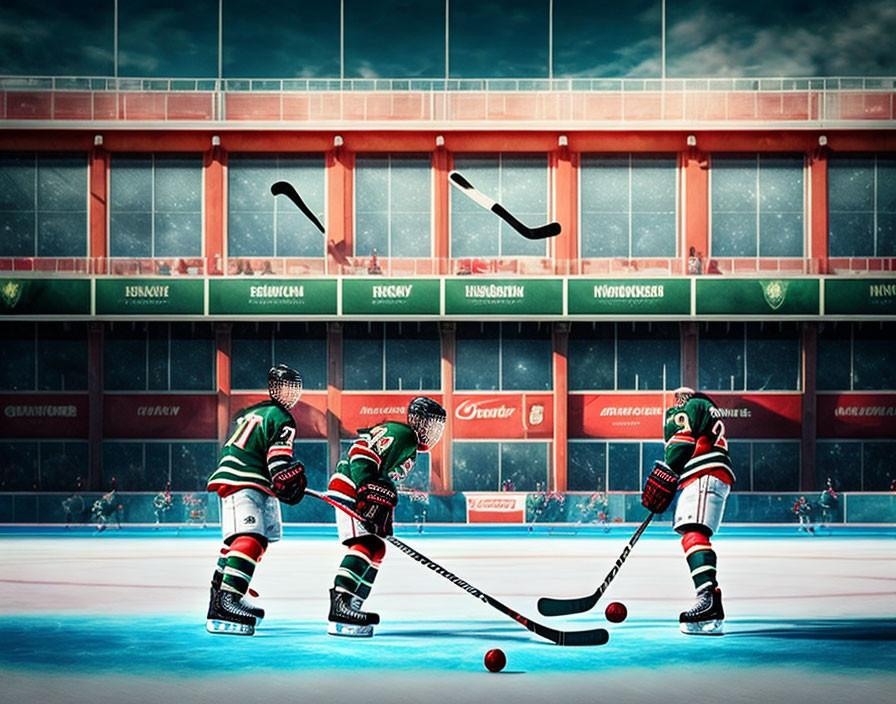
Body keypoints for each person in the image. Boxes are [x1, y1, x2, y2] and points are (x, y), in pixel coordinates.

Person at [325, 396, 446, 638]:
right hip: (350, 488)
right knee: (365, 544)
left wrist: (384, 518)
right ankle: (340, 604)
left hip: (359, 490)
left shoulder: (409, 446)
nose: (434, 432)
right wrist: (366, 486)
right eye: (431, 424)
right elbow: (361, 452)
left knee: (377, 549)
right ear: (418, 422)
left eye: (438, 427)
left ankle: (354, 604)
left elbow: (384, 481)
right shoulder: (404, 435)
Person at [205, 364, 308, 636]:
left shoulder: (253, 412)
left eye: (294, 387)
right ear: (275, 387)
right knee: (250, 538)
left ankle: (219, 597)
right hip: (247, 476)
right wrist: (287, 477)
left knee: (248, 540)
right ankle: (228, 599)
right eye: (287, 386)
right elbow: (279, 463)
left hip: (238, 474)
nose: (291, 393)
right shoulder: (282, 418)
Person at [640, 386, 734, 635]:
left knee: (694, 532)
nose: (678, 401)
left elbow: (682, 440)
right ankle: (707, 599)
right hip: (706, 474)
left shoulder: (691, 407)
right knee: (692, 535)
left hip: (704, 471)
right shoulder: (709, 409)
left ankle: (708, 601)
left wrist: (668, 470)